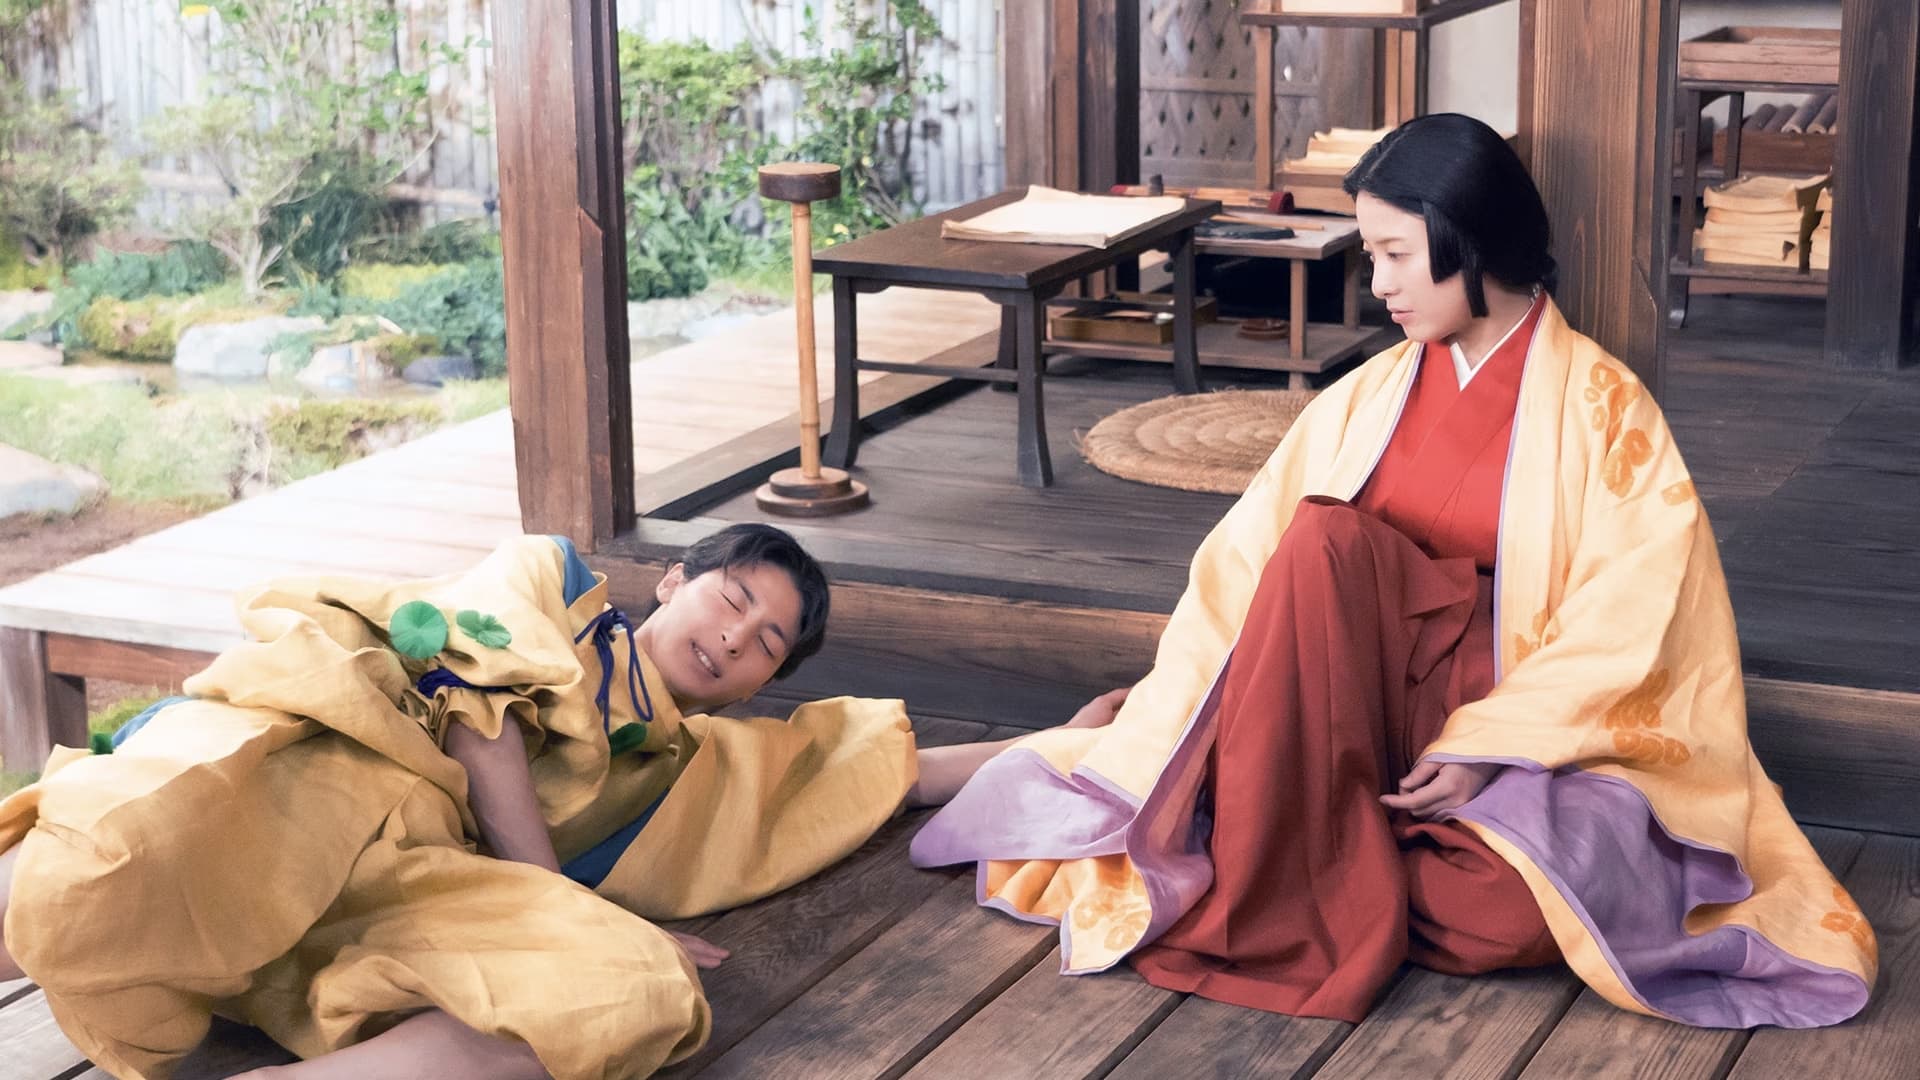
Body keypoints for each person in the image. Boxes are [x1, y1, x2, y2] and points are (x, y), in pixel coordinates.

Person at [911, 114, 1877, 1029]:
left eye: (1396, 254)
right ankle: (1293, 835)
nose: (1378, 284)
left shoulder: (1602, 406)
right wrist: (1187, 696)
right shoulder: (1363, 398)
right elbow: (1244, 573)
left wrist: (1489, 745)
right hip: (1342, 703)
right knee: (1320, 543)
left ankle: (1310, 851)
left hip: (1502, 717)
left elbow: (1636, 615)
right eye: (1371, 255)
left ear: (1471, 241)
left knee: (1511, 913)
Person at [0, 523, 1118, 1080]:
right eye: (730, 599)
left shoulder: (705, 761)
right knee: (133, 841)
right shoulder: (553, 578)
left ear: (765, 683)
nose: (735, 637)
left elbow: (884, 772)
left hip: (413, 881)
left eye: (767, 644)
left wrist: (1068, 735)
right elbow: (477, 711)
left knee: (630, 995)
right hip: (317, 752)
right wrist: (554, 893)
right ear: (673, 580)